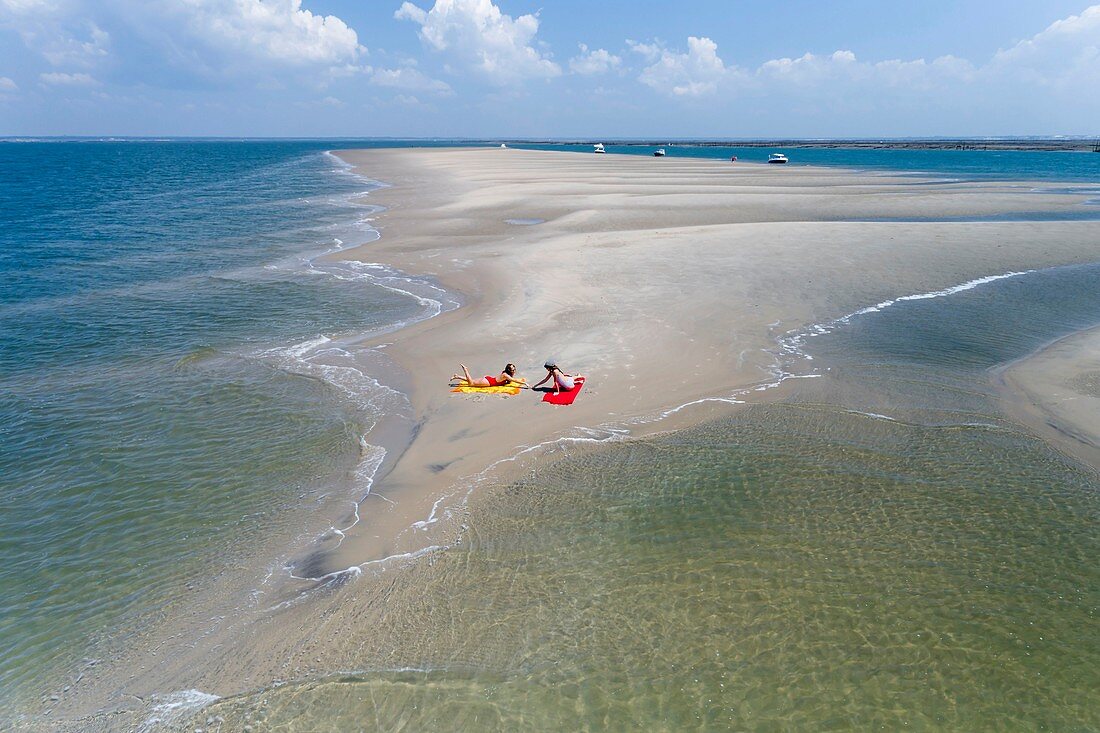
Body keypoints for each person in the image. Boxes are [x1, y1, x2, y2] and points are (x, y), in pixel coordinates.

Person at [451, 363, 526, 388]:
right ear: (509, 370)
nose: (514, 371)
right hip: (489, 382)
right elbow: (514, 380)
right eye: (513, 370)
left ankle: (457, 376)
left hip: (489, 379)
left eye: (514, 369)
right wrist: (525, 384)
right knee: (471, 384)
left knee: (472, 380)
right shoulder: (505, 375)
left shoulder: (506, 374)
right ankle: (465, 369)